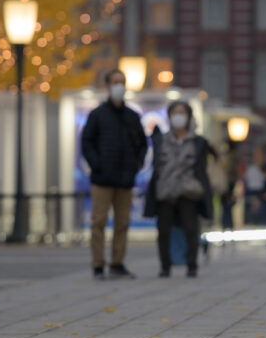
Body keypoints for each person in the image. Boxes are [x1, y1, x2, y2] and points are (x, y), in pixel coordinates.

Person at [81, 68, 147, 280]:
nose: (119, 86)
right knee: (98, 222)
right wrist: (96, 163)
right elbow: (87, 142)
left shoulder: (132, 116)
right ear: (108, 85)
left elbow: (142, 144)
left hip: (125, 179)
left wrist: (136, 165)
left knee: (122, 223)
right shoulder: (98, 115)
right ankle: (98, 264)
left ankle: (117, 263)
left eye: (122, 82)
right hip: (102, 179)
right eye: (115, 82)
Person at [143, 101, 213, 277]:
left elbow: (202, 169)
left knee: (191, 228)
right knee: (164, 230)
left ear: (189, 117)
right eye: (175, 113)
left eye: (182, 113)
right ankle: (165, 266)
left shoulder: (198, 142)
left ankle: (192, 265)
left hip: (188, 191)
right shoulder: (160, 140)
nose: (178, 116)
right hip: (165, 191)